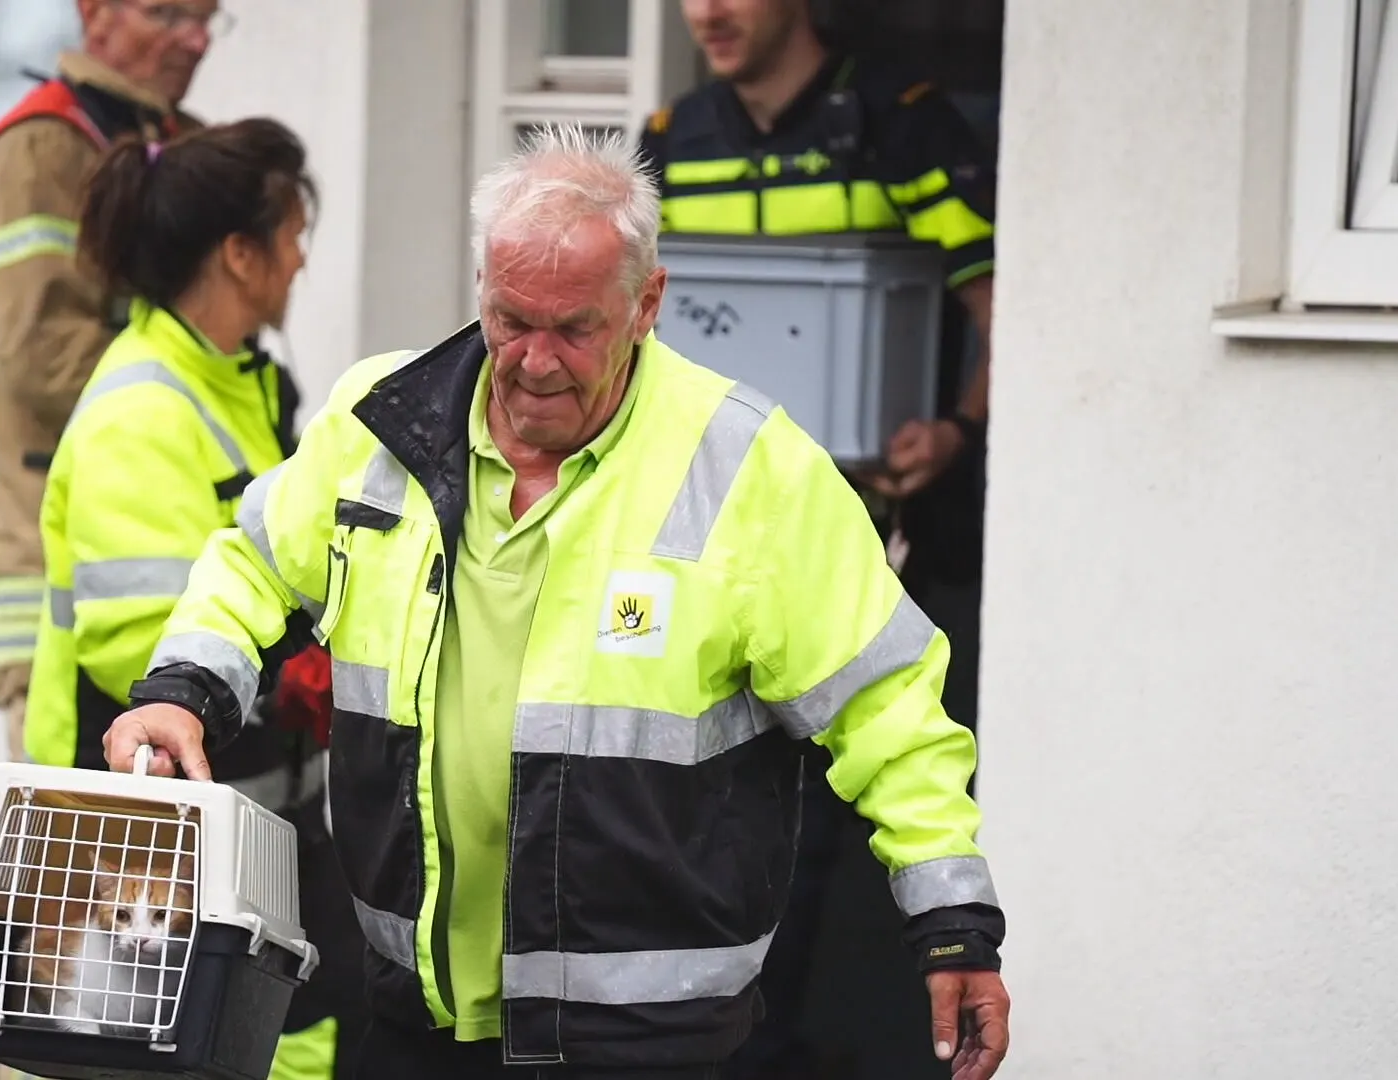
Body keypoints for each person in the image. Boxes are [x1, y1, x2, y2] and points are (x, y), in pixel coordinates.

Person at [94, 124, 1009, 1079]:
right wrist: (183, 689)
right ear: (481, 288)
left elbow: (886, 706)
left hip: (645, 1047)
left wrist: (953, 921)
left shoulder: (749, 468)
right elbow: (252, 562)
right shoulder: (381, 422)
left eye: (574, 329)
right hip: (416, 1022)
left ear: (647, 303)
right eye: (511, 320)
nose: (533, 361)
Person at [638, 2, 1000, 1073]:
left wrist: (956, 432)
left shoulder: (900, 123)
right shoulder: (672, 139)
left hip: (877, 540)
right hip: (698, 541)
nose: (707, 12)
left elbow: (1008, 312)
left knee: (836, 813)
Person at [11, 118, 362, 1080]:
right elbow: (146, 650)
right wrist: (304, 675)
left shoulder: (243, 382)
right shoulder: (142, 410)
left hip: (246, 830)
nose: (301, 260)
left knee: (297, 1032)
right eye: (292, 236)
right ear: (241, 255)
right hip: (143, 849)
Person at [0, 0, 228, 764]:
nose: (196, 39)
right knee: (69, 832)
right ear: (94, 11)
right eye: (169, 15)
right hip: (58, 586)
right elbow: (41, 354)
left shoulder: (180, 143)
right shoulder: (37, 153)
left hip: (171, 582)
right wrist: (203, 408)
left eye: (208, 18)